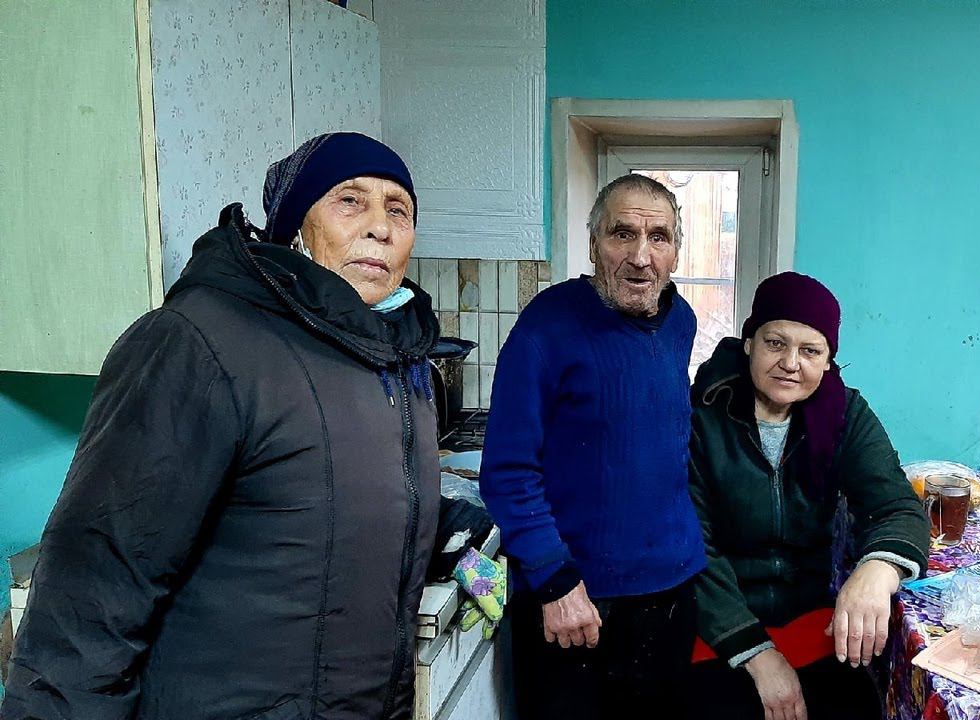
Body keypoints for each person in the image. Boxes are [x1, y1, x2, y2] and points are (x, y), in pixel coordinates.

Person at [2, 132, 495, 720]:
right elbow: (95, 589)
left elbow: (333, 502)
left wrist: (458, 537)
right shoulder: (197, 343)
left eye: (398, 210)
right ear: (295, 226)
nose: (380, 228)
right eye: (350, 200)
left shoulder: (392, 356)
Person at [479, 174, 707, 720]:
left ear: (676, 252)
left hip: (672, 592)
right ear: (592, 244)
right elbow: (508, 472)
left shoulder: (681, 321)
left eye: (658, 238)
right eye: (622, 234)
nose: (641, 257)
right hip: (574, 600)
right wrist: (555, 580)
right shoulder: (546, 326)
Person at [687, 272, 930, 720]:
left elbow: (896, 505)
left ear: (828, 361)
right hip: (720, 621)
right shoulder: (701, 417)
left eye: (810, 351)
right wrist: (757, 654)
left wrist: (877, 569)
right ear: (749, 343)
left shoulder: (845, 413)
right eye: (775, 343)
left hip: (810, 617)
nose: (790, 363)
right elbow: (694, 547)